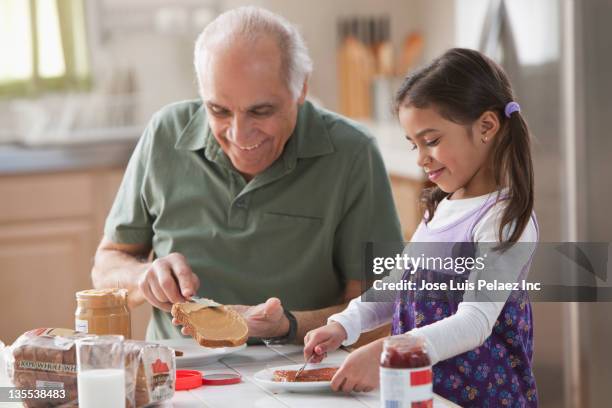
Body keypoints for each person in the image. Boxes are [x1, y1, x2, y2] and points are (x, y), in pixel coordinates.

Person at [91, 6, 403, 344]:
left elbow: (385, 312)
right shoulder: (165, 134)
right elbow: (106, 266)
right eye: (218, 110)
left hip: (299, 378)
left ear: (300, 89)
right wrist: (143, 278)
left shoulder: (353, 153)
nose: (239, 135)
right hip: (179, 377)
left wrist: (288, 326)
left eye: (261, 111)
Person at [304, 48, 539, 407]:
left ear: (487, 127)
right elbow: (399, 284)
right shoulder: (440, 208)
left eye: (431, 141)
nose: (420, 158)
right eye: (414, 144)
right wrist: (344, 324)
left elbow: (474, 321)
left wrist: (389, 349)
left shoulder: (503, 220)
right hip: (422, 395)